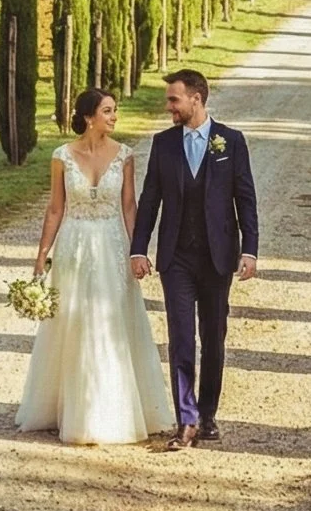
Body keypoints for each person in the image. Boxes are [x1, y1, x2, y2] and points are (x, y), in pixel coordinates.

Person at [15, 89, 173, 444]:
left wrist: (138, 250)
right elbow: (56, 208)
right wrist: (42, 253)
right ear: (89, 117)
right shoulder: (61, 157)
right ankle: (72, 407)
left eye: (115, 111)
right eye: (108, 111)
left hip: (113, 247)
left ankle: (110, 409)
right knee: (76, 324)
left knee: (111, 324)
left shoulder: (125, 156)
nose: (114, 117)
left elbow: (129, 207)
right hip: (74, 247)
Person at [130, 69, 259, 451]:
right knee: (181, 338)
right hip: (176, 258)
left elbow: (245, 199)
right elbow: (150, 200)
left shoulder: (230, 142)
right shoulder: (163, 144)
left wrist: (249, 249)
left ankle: (207, 415)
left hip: (218, 258)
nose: (168, 106)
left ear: (196, 100)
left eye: (174, 99)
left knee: (213, 338)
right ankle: (185, 420)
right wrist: (139, 248)